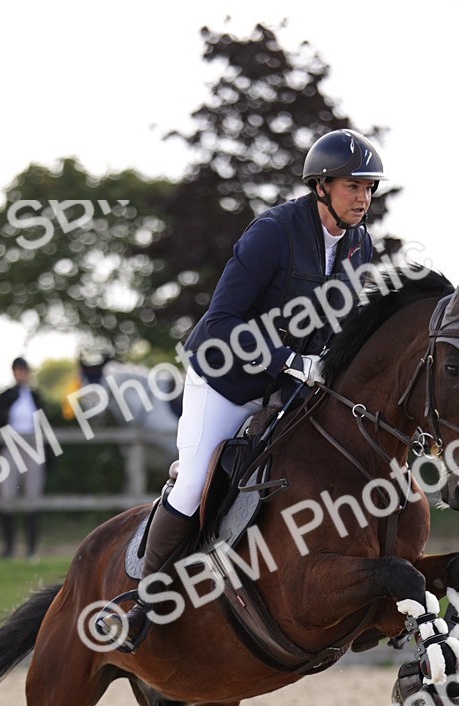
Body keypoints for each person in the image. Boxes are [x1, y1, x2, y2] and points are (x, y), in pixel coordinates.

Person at [103, 128, 386, 651]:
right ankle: (141, 600)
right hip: (226, 379)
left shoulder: (360, 247)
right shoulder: (273, 233)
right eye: (354, 186)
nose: (364, 198)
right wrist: (285, 360)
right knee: (192, 483)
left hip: (291, 388)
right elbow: (218, 323)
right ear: (321, 185)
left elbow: (345, 328)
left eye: (370, 187)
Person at [0, 356, 48, 560]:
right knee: (6, 496)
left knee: (33, 497)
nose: (21, 374)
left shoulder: (35, 396)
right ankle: (9, 549)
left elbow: (44, 422)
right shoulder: (6, 395)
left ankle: (32, 550)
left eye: (23, 371)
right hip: (10, 446)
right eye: (18, 371)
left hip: (33, 446)